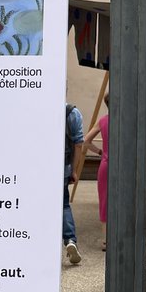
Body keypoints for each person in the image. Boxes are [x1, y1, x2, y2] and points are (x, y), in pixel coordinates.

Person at [83, 93, 110, 250]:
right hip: (123, 165)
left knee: (105, 201)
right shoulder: (126, 120)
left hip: (106, 163)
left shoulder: (103, 121)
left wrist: (100, 152)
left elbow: (86, 140)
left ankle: (106, 239)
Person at [63, 103, 84, 265]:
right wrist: (74, 170)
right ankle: (70, 239)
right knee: (63, 204)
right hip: (63, 167)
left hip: (38, 168)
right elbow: (78, 144)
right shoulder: (73, 113)